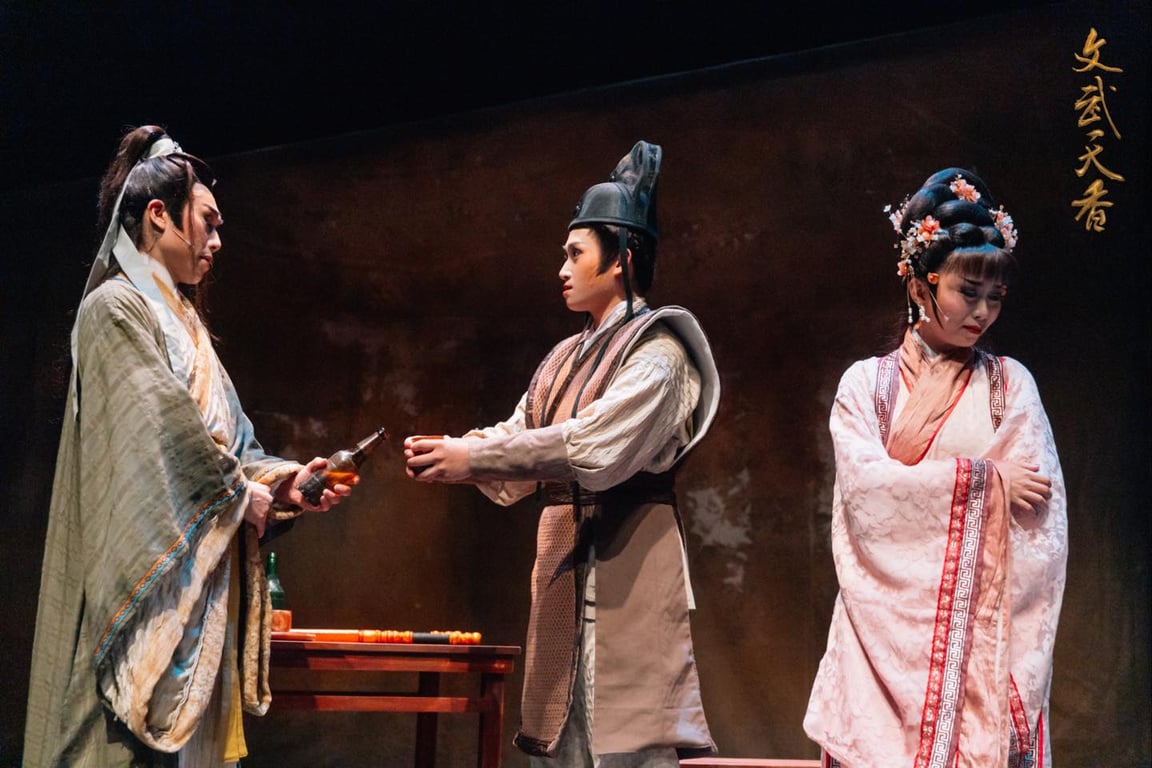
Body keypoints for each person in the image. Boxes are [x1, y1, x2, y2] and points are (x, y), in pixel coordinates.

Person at [24, 125, 355, 767]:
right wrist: (239, 494)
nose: (218, 239)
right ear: (158, 214)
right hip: (142, 581)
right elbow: (160, 438)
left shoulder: (189, 329)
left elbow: (233, 444)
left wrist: (284, 482)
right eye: (208, 220)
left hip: (200, 597)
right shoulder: (114, 308)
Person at [404, 141, 720, 766]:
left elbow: (596, 447)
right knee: (560, 744)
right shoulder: (562, 360)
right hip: (562, 569)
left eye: (576, 253)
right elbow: (520, 433)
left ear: (622, 258)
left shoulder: (659, 354)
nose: (562, 268)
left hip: (626, 566)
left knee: (625, 748)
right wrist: (460, 451)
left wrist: (476, 459)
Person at [803, 168, 1068, 767]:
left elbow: (1041, 527)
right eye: (967, 292)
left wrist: (986, 493)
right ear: (921, 285)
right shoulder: (865, 387)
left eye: (995, 297)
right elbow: (867, 496)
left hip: (976, 645)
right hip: (876, 639)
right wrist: (986, 482)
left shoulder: (1009, 386)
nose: (983, 312)